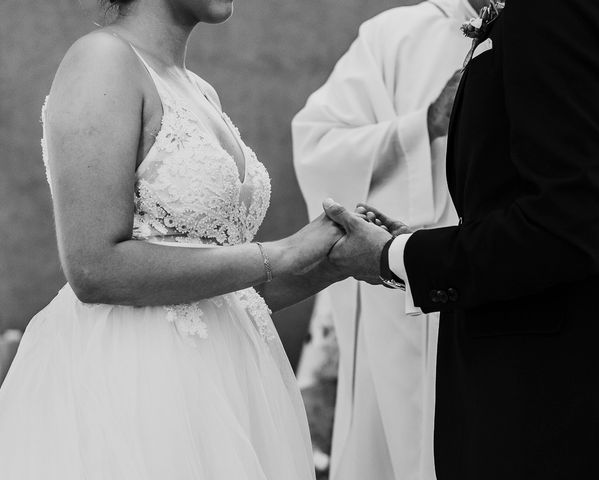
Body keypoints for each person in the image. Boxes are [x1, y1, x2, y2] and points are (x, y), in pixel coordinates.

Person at [0, 0, 346, 478]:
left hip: (232, 385)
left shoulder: (200, 91)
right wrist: (279, 253)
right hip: (137, 390)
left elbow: (226, 289)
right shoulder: (102, 60)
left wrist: (331, 260)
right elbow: (93, 268)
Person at [321, 0, 599, 478]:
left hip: (555, 395)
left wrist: (396, 258)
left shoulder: (556, 10)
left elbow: (566, 228)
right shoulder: (393, 34)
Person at [292, 1, 479, 479]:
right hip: (398, 299)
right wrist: (425, 125)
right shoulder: (393, 35)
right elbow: (315, 144)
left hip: (499, 280)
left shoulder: (553, 28)